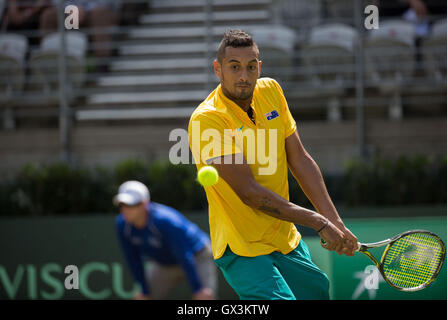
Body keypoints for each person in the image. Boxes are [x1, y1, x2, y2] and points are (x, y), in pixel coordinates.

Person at [188, 29, 358, 300]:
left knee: (317, 293)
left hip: (283, 238)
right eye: (234, 67)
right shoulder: (207, 120)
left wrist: (334, 222)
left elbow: (299, 159)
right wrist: (318, 221)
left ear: (259, 68)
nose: (244, 76)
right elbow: (251, 194)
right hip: (242, 246)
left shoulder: (271, 90)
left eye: (250, 67)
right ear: (218, 69)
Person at [114, 180, 217, 300]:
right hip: (165, 264)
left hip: (197, 255)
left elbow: (184, 254)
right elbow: (133, 259)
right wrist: (144, 290)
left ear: (144, 204)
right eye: (122, 205)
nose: (125, 210)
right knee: (142, 298)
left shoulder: (165, 221)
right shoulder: (122, 225)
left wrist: (197, 288)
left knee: (204, 297)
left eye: (131, 205)